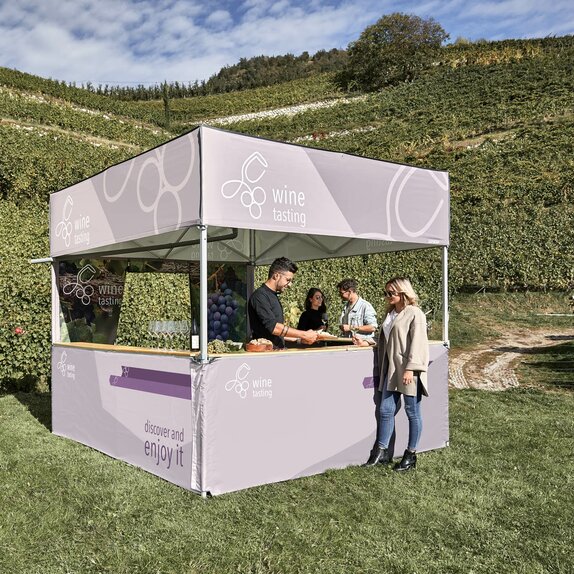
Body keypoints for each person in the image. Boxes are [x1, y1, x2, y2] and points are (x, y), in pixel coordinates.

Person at [363, 276, 429, 472]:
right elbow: (386, 339)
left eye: (391, 293)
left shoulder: (415, 313)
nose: (387, 296)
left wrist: (411, 369)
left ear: (403, 293)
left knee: (412, 412)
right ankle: (381, 452)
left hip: (408, 370)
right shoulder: (391, 314)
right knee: (385, 409)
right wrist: (367, 341)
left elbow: (418, 342)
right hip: (391, 370)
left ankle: (411, 455)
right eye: (386, 293)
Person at [248, 257, 318, 349]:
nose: (289, 285)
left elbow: (277, 333)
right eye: (288, 280)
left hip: (278, 353)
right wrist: (304, 334)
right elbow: (274, 328)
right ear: (276, 275)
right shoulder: (260, 296)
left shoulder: (273, 295)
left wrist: (299, 339)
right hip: (266, 357)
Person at [337, 278, 377, 345]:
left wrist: (351, 327)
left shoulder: (365, 306)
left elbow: (373, 327)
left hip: (362, 347)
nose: (340, 295)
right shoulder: (346, 307)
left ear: (349, 292)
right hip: (349, 345)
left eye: (341, 293)